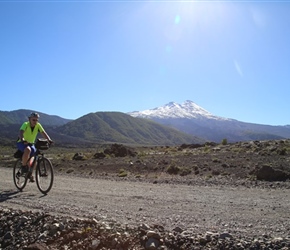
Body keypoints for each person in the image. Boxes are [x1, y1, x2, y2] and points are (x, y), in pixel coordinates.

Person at [16, 112, 53, 182]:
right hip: (22, 143)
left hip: (31, 143)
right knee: (28, 150)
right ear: (29, 119)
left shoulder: (38, 125)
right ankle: (23, 166)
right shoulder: (25, 124)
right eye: (33, 120)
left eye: (36, 120)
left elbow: (43, 133)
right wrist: (22, 139)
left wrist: (49, 140)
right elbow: (21, 132)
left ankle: (30, 174)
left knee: (34, 159)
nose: (35, 121)